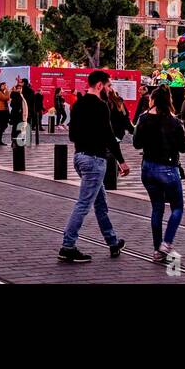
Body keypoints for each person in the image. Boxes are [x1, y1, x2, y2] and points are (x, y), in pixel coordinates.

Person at [58, 70, 128, 263]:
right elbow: (109, 135)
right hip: (94, 160)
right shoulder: (101, 106)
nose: (110, 89)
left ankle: (112, 241)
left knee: (100, 204)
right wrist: (121, 160)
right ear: (99, 85)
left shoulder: (78, 104)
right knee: (84, 204)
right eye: (108, 86)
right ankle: (68, 246)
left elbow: (72, 135)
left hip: (79, 157)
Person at [133, 86, 185, 263]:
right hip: (168, 168)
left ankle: (157, 249)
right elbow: (184, 146)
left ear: (153, 100)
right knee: (177, 207)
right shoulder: (174, 122)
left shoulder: (144, 118)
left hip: (148, 168)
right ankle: (166, 242)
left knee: (157, 208)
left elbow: (136, 143)